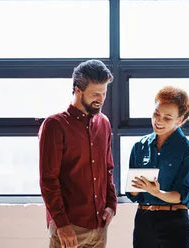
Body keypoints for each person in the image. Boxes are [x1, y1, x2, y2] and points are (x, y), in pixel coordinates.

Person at [39, 59, 117, 248]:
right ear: (77, 90)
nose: (100, 98)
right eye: (95, 94)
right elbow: (48, 180)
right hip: (69, 227)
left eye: (104, 93)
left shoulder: (104, 123)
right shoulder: (55, 125)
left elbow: (107, 169)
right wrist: (62, 224)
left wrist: (111, 205)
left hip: (99, 226)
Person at [128, 86, 189, 248]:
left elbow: (181, 194)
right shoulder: (139, 146)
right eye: (156, 114)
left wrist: (156, 192)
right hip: (144, 220)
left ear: (179, 120)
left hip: (174, 222)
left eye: (167, 118)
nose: (158, 120)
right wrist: (137, 187)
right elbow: (133, 194)